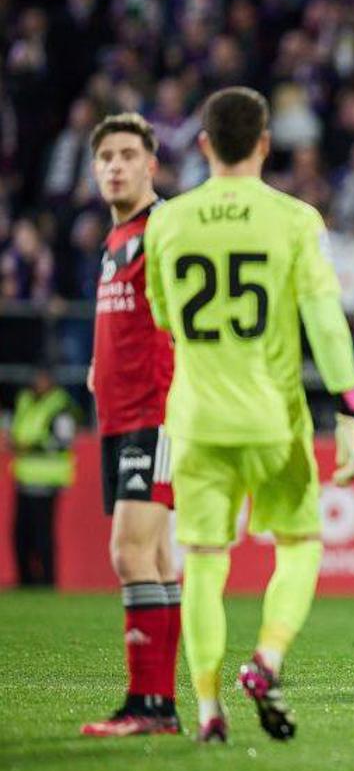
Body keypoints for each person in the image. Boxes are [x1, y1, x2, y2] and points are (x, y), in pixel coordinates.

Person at [144, 86, 354, 743]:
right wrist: (350, 407)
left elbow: (163, 318)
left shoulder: (167, 221)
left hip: (195, 421)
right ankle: (266, 659)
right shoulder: (295, 219)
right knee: (299, 545)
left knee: (204, 564)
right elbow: (325, 322)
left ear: (205, 144)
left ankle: (209, 711)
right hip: (274, 421)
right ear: (266, 143)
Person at [78, 113, 181, 738]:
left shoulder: (162, 229)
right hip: (120, 418)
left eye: (126, 155)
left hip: (155, 415)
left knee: (129, 551)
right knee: (159, 557)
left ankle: (147, 705)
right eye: (105, 157)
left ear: (151, 165)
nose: (114, 165)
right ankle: (158, 707)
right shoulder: (114, 241)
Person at [6, 368, 77, 586]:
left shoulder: (61, 406)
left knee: (42, 535)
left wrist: (29, 446)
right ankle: (25, 581)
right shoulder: (25, 400)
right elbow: (18, 431)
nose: (39, 382)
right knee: (20, 535)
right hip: (24, 478)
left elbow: (63, 441)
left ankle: (47, 581)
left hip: (47, 480)